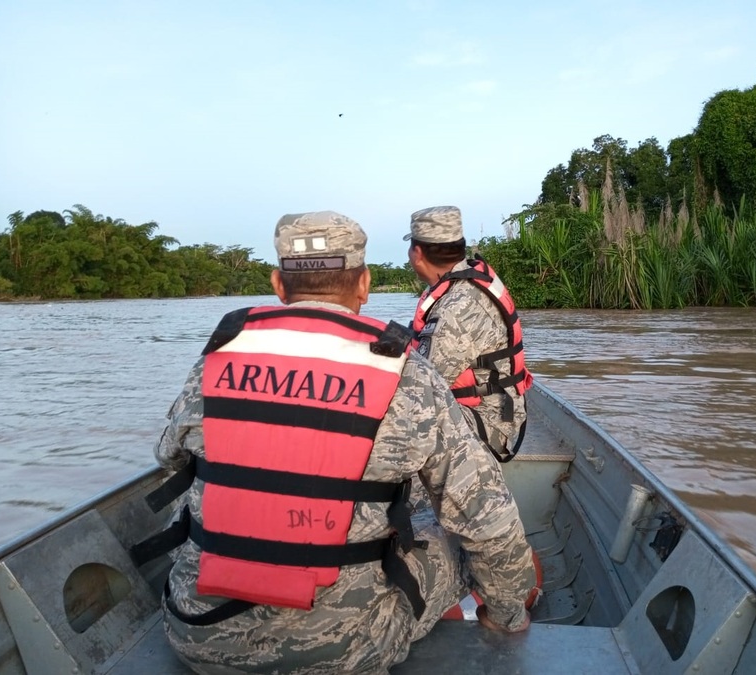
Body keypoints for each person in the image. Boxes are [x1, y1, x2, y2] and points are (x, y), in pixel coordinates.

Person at [151, 211, 535, 675]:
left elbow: (168, 457)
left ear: (277, 284)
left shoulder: (214, 360)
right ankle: (497, 620)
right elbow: (488, 518)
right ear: (364, 285)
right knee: (463, 538)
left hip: (198, 638)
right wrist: (507, 612)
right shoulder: (406, 373)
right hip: (346, 652)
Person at [405, 205, 534, 463]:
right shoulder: (458, 285)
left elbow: (419, 393)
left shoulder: (456, 309)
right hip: (487, 409)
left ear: (417, 253)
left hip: (490, 425)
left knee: (390, 429)